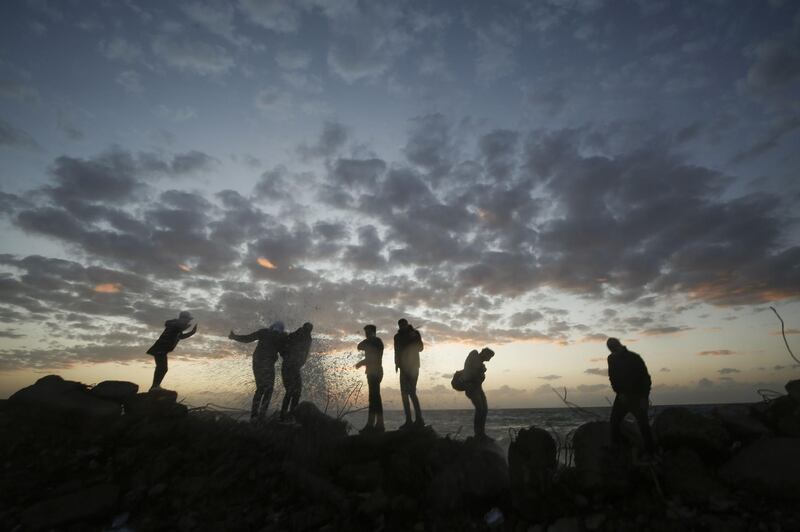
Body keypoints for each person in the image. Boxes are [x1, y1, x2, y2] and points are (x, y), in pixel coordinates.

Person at [606, 337, 656, 455]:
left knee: (643, 424)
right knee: (614, 422)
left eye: (613, 347)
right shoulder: (611, 359)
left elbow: (646, 378)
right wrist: (619, 392)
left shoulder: (634, 358)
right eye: (610, 348)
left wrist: (644, 397)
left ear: (618, 345)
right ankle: (618, 449)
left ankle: (651, 452)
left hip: (637, 397)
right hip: (622, 397)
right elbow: (612, 378)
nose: (612, 350)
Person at [229, 321, 287, 421]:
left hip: (258, 362)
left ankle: (255, 415)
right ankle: (260, 414)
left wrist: (234, 337)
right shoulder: (280, 337)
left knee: (261, 389)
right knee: (267, 389)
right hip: (265, 363)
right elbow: (284, 353)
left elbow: (248, 338)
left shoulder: (264, 332)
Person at [146, 310, 197, 391]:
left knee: (162, 368)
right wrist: (185, 327)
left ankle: (155, 386)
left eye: (189, 320)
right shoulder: (174, 325)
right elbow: (176, 326)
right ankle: (155, 387)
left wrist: (191, 333)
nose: (188, 321)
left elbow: (181, 336)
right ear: (183, 318)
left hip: (162, 349)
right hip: (160, 348)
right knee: (162, 368)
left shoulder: (177, 327)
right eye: (188, 319)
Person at [455, 347, 495, 439]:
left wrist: (481, 373)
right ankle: (478, 433)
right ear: (484, 353)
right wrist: (481, 370)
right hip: (466, 384)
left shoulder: (481, 366)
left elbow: (478, 380)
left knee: (484, 409)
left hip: (476, 387)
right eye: (489, 357)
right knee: (480, 408)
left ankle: (481, 432)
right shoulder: (474, 354)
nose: (489, 360)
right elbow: (474, 369)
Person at [394, 318, 424, 429]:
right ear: (399, 326)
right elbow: (396, 350)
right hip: (403, 368)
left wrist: (414, 339)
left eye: (404, 325)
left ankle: (419, 419)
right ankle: (408, 420)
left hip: (413, 366)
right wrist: (396, 364)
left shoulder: (415, 333)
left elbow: (421, 348)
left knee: (411, 392)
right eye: (400, 325)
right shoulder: (397, 337)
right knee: (404, 393)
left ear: (407, 324)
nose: (402, 327)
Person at [280, 322, 313, 421]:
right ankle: (285, 415)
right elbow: (283, 346)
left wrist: (299, 364)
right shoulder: (296, 335)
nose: (308, 332)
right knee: (291, 391)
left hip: (293, 367)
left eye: (309, 330)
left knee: (295, 392)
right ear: (304, 328)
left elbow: (305, 354)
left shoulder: (306, 338)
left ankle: (290, 414)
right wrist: (286, 357)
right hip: (288, 366)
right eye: (307, 329)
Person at [355, 324, 385, 433]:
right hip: (371, 372)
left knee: (375, 398)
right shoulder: (369, 342)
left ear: (373, 332)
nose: (366, 334)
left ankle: (376, 424)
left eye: (368, 332)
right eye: (365, 333)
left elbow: (373, 358)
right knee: (374, 398)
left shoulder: (377, 342)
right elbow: (359, 346)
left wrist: (361, 362)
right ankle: (374, 424)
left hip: (376, 372)